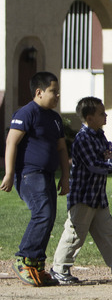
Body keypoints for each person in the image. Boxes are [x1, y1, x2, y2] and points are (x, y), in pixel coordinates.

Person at [51, 96, 112, 283]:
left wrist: (111, 160)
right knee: (74, 234)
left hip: (98, 196)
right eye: (101, 113)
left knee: (107, 234)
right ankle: (59, 269)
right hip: (84, 197)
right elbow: (94, 164)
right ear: (89, 118)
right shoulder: (83, 138)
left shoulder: (99, 135)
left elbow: (106, 157)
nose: (105, 116)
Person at [1, 71, 71, 286]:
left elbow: (61, 148)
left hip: (48, 175)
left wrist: (65, 177)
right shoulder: (26, 113)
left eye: (58, 91)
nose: (57, 95)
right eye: (53, 91)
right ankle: (24, 260)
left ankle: (37, 266)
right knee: (43, 213)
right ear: (39, 92)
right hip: (29, 174)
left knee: (49, 217)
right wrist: (9, 173)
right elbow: (11, 142)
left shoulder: (54, 118)